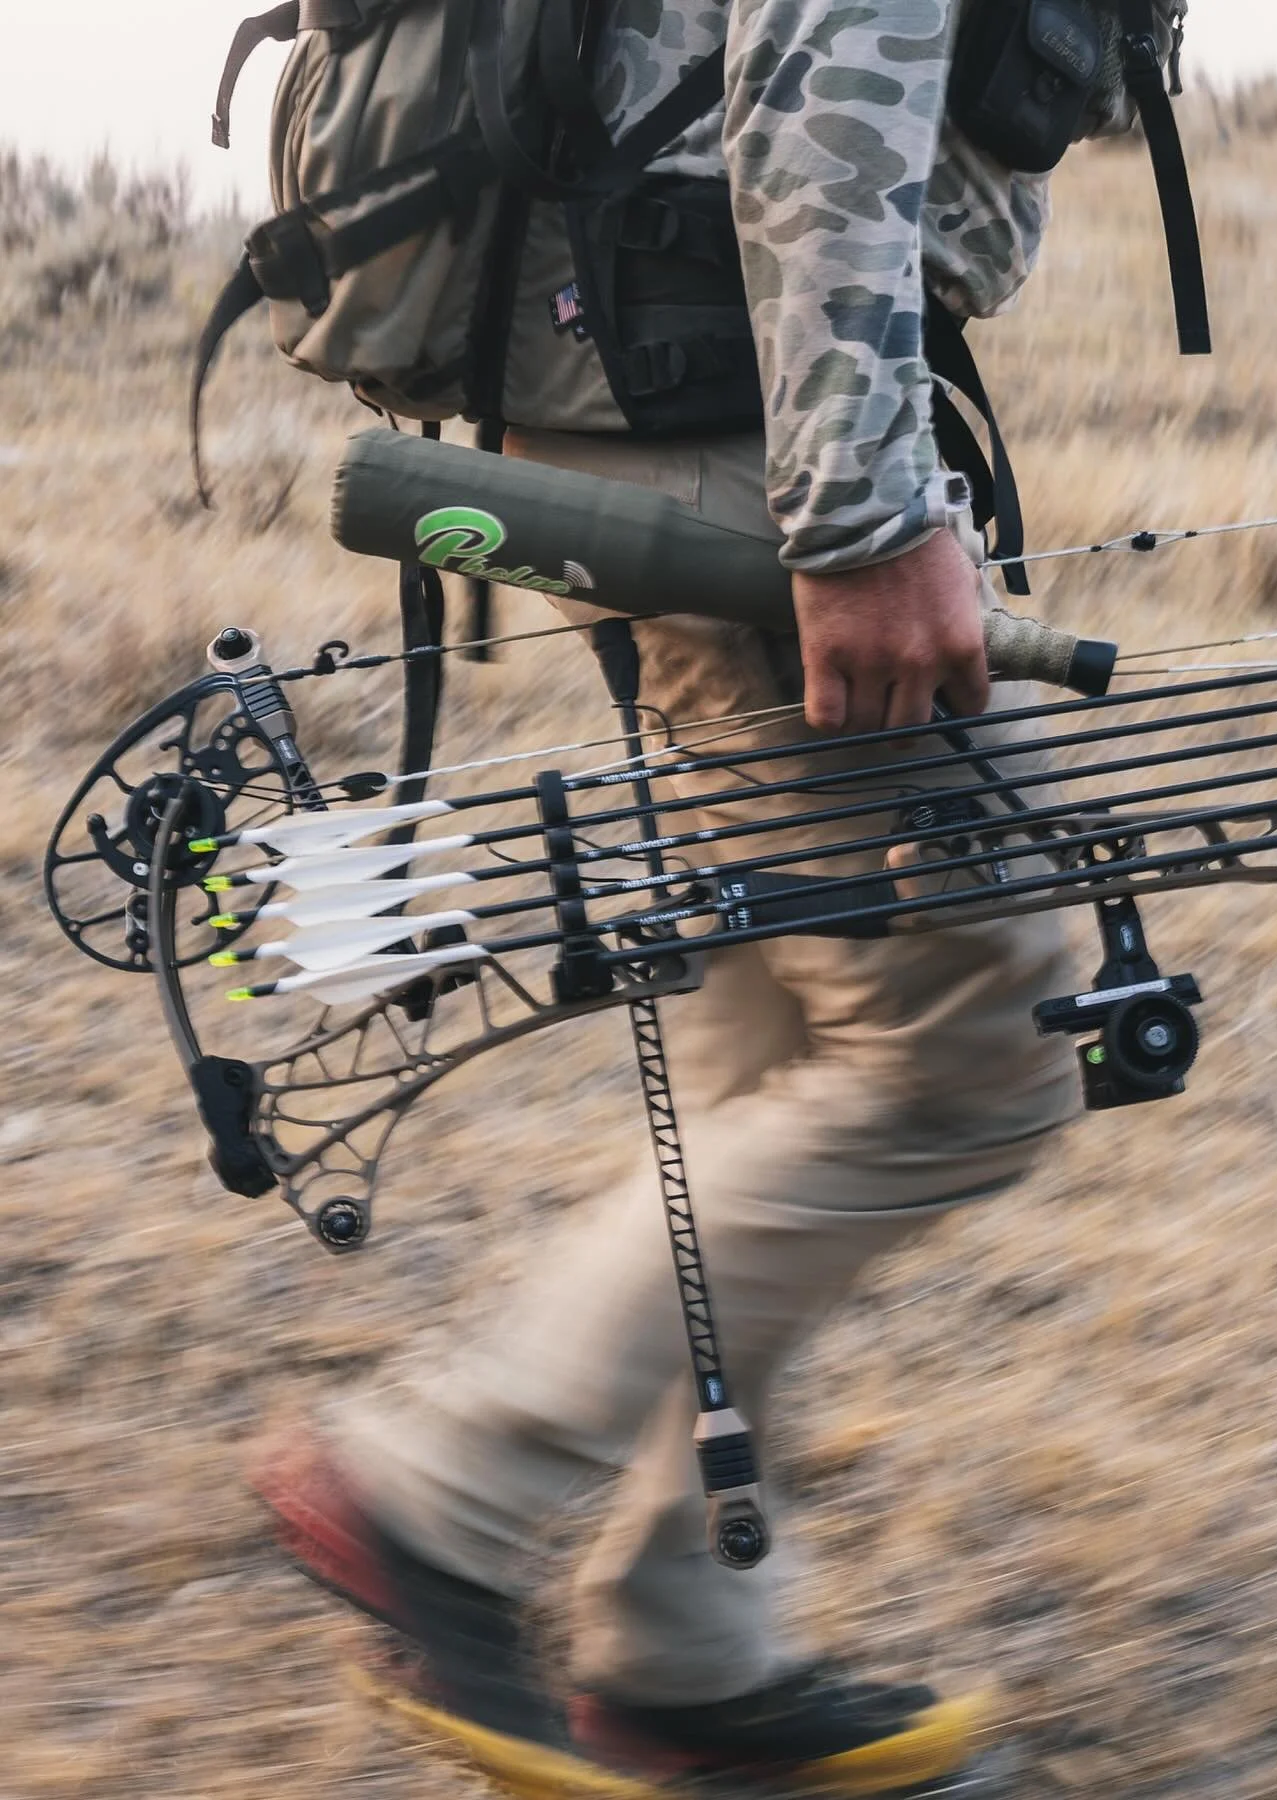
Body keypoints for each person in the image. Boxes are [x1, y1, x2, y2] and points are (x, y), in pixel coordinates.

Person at [255, 0, 1100, 1788]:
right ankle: (437, 1488)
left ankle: (686, 1647)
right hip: (724, 397)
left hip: (648, 375)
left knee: (776, 1033)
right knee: (977, 1052)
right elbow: (827, 48)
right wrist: (867, 513)